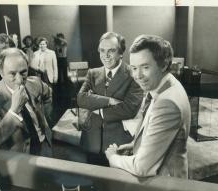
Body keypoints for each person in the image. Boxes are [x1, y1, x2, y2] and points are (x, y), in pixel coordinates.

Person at [105, 35, 191, 178]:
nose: (138, 75)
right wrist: (135, 145)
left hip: (164, 188)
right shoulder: (167, 83)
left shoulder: (167, 103)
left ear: (163, 65)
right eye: (134, 68)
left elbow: (141, 168)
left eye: (145, 67)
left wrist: (112, 157)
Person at [77, 32, 143, 166]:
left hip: (118, 144)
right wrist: (109, 101)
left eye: (111, 51)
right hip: (91, 141)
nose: (105, 55)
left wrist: (97, 109)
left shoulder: (133, 74)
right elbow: (81, 99)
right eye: (102, 50)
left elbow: (129, 109)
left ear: (121, 52)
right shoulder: (93, 73)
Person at [0, 48, 54, 157]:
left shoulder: (35, 82)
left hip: (45, 147)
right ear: (1, 72)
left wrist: (45, 118)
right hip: (19, 158)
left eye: (23, 72)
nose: (19, 80)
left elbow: (48, 94)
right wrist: (14, 111)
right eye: (12, 74)